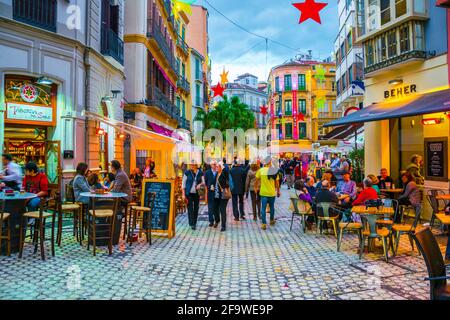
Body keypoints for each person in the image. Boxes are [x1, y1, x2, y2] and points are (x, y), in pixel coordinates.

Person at [255, 157, 280, 230]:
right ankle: (271, 220)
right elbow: (277, 183)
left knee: (263, 208)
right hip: (272, 192)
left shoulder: (261, 170)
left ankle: (263, 224)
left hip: (263, 192)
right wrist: (278, 191)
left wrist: (256, 188)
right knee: (272, 207)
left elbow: (256, 180)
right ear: (270, 162)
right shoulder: (274, 171)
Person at [182, 163, 205, 230]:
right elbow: (183, 184)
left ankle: (194, 222)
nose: (191, 166)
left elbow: (204, 182)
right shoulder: (187, 172)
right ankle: (192, 224)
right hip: (188, 193)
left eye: (193, 164)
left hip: (196, 193)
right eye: (191, 164)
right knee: (190, 208)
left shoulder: (200, 172)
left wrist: (200, 185)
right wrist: (183, 194)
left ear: (196, 165)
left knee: (196, 208)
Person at [213, 162, 230, 232]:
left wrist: (225, 188)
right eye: (216, 166)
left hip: (223, 194)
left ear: (221, 167)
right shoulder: (217, 174)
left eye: (218, 167)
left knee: (222, 210)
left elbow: (227, 182)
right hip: (216, 195)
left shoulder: (224, 173)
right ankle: (217, 220)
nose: (216, 168)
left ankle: (223, 226)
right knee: (215, 209)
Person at [204, 160, 218, 227]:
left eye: (215, 164)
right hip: (210, 192)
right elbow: (205, 182)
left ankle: (216, 221)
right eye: (213, 164)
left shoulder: (218, 172)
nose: (214, 165)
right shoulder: (207, 172)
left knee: (216, 207)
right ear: (210, 165)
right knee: (210, 207)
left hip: (217, 192)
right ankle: (211, 221)